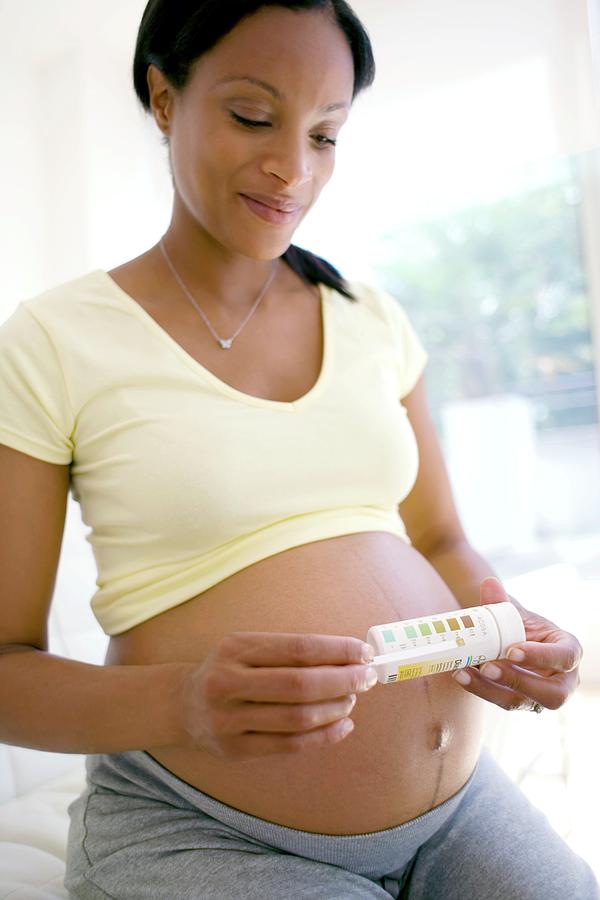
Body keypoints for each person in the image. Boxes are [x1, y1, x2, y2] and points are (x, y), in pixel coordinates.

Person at [0, 1, 597, 898]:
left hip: (457, 809)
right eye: (252, 117)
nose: (292, 167)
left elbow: (438, 540)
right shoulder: (54, 340)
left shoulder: (372, 319)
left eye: (326, 134)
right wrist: (184, 701)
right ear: (163, 98)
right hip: (197, 825)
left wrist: (505, 625)